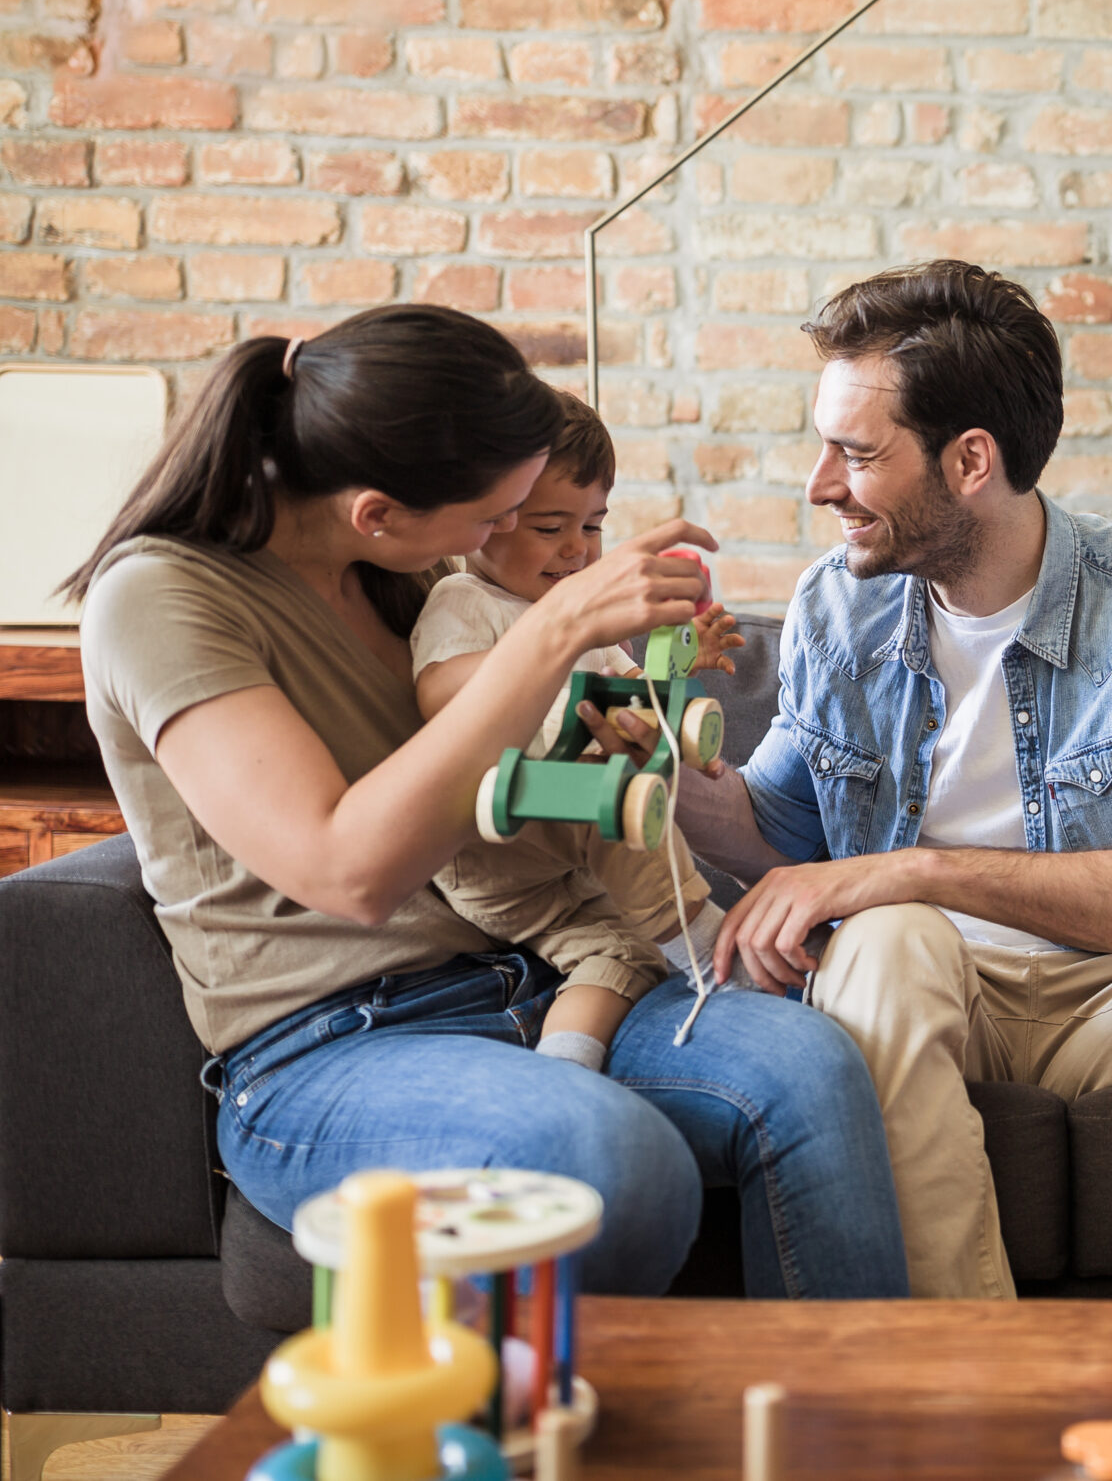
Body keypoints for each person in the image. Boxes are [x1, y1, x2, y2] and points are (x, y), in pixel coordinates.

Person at [68, 305, 905, 1298]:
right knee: (610, 1159)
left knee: (811, 1070)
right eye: (492, 520)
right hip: (332, 1046)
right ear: (376, 510)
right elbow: (351, 872)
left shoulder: (392, 575)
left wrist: (621, 717)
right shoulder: (164, 599)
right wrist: (555, 632)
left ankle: (838, 1432)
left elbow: (524, 756)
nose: (503, 541)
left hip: (534, 972)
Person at [670, 259, 1112, 1299]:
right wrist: (657, 765)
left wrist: (911, 870)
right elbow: (780, 832)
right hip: (928, 988)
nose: (819, 485)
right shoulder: (838, 604)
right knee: (883, 939)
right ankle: (968, 1390)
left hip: (1111, 988)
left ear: (970, 459)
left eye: (854, 452)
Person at [411, 389, 747, 1072]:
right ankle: (705, 945)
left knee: (622, 955)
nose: (576, 548)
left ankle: (564, 1071)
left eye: (593, 526)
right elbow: (435, 691)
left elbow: (633, 698)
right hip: (498, 831)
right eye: (549, 526)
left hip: (562, 870)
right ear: (488, 521)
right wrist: (554, 639)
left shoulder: (586, 616)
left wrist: (676, 685)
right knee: (611, 780)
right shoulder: (465, 599)